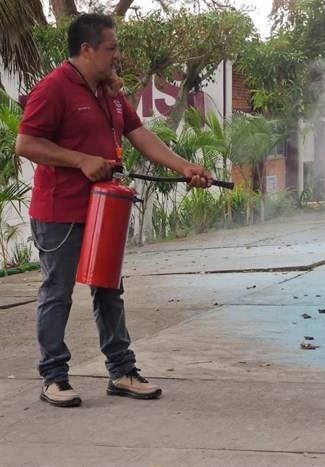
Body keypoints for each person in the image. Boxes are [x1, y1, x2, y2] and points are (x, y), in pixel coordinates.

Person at [15, 13, 212, 407]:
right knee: (58, 292)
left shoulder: (110, 93)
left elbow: (140, 135)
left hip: (104, 208)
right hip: (60, 211)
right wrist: (80, 159)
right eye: (111, 48)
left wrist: (184, 167)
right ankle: (54, 376)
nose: (117, 55)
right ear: (86, 49)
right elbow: (26, 144)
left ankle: (121, 371)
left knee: (109, 290)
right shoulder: (53, 89)